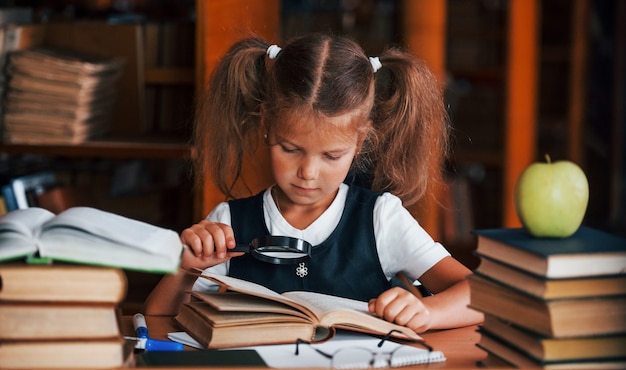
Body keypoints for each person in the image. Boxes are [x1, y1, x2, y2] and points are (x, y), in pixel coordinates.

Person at [145, 33, 483, 333]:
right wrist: (185, 267)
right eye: (290, 149)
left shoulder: (381, 219)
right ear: (266, 125)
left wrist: (426, 311)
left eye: (331, 156)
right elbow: (159, 321)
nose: (308, 172)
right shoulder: (228, 223)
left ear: (360, 140)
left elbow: (481, 295)